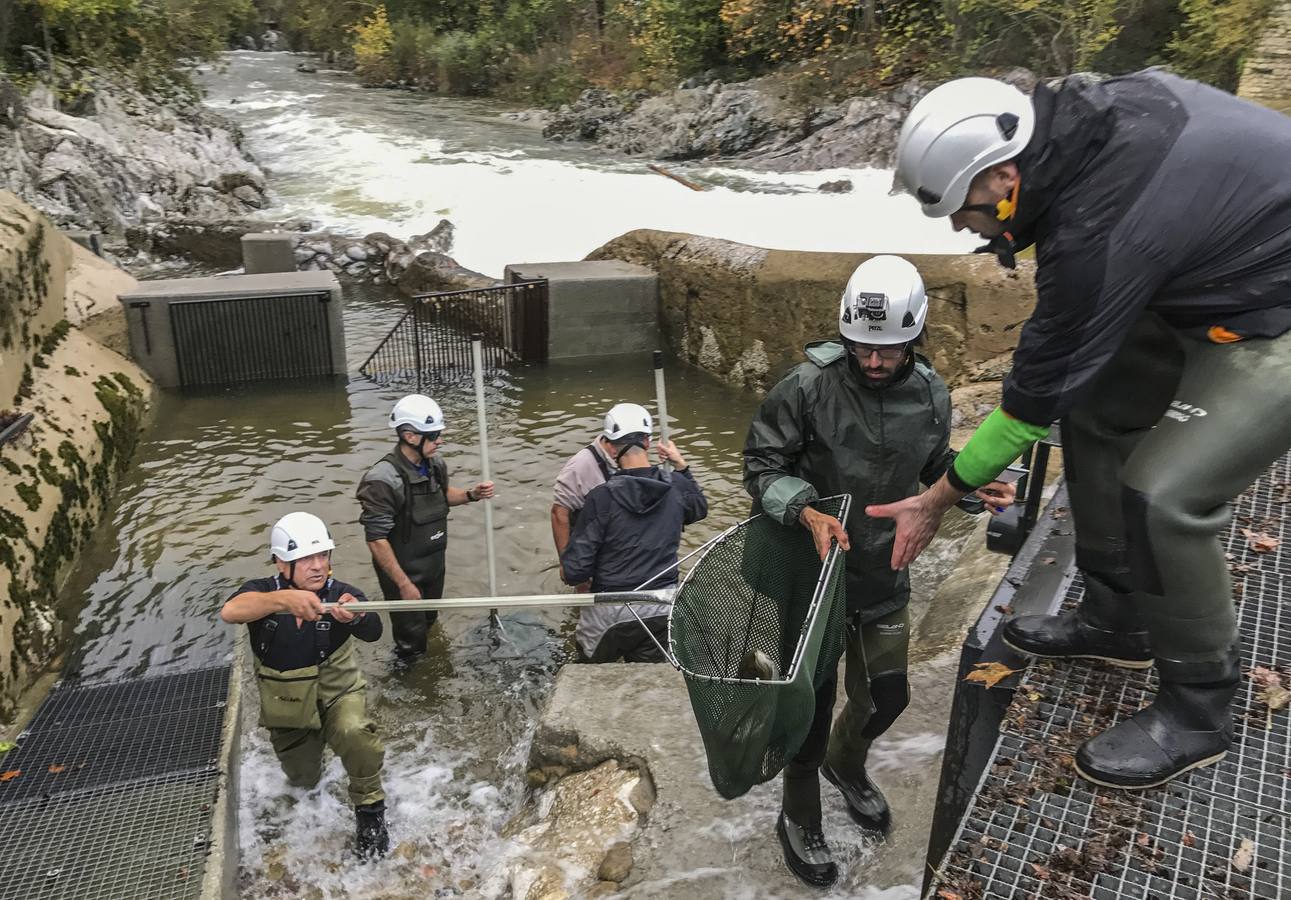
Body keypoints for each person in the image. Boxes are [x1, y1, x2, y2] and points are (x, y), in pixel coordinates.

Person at [879, 71, 1291, 790]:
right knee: (1094, 406)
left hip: (1272, 309)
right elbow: (1063, 384)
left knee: (1162, 496)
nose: (956, 228)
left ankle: (1198, 711)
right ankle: (1118, 618)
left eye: (961, 209)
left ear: (1004, 177)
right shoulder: (1085, 121)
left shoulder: (1094, 227)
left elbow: (1025, 403)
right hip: (1216, 275)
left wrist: (936, 497)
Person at [744, 255, 1016, 887]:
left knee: (888, 693)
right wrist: (804, 509)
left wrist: (972, 487)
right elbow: (760, 466)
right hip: (810, 575)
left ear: (913, 338)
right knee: (808, 707)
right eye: (862, 348)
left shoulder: (930, 391)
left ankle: (848, 762)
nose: (872, 362)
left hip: (883, 572)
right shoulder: (806, 388)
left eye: (888, 350)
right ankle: (798, 813)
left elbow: (932, 465)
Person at [220, 512, 389, 858]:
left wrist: (356, 615)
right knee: (302, 778)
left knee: (355, 731)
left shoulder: (341, 594)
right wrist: (283, 601)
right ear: (282, 564)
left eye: (322, 556)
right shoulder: (262, 593)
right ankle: (311, 799)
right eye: (306, 559)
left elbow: (373, 630)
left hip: (337, 693)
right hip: (288, 702)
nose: (317, 566)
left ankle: (370, 811)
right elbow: (231, 611)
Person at [560, 405, 708, 662]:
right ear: (648, 442)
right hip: (661, 605)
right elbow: (698, 509)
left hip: (610, 610)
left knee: (590, 676)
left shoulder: (601, 497)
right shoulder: (676, 487)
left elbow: (575, 572)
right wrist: (681, 465)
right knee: (646, 683)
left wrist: (566, 566)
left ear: (612, 448)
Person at [356, 394, 495, 659]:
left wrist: (470, 495)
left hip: (433, 563)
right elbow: (376, 539)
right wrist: (403, 584)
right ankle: (407, 682)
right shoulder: (382, 480)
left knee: (429, 622)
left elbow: (442, 496)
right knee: (411, 642)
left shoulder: (435, 465)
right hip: (403, 571)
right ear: (410, 436)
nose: (439, 440)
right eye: (433, 436)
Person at [550, 404, 634, 590]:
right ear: (612, 444)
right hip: (588, 546)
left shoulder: (629, 456)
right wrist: (566, 562)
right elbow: (559, 514)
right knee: (588, 595)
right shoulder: (580, 466)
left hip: (617, 545)